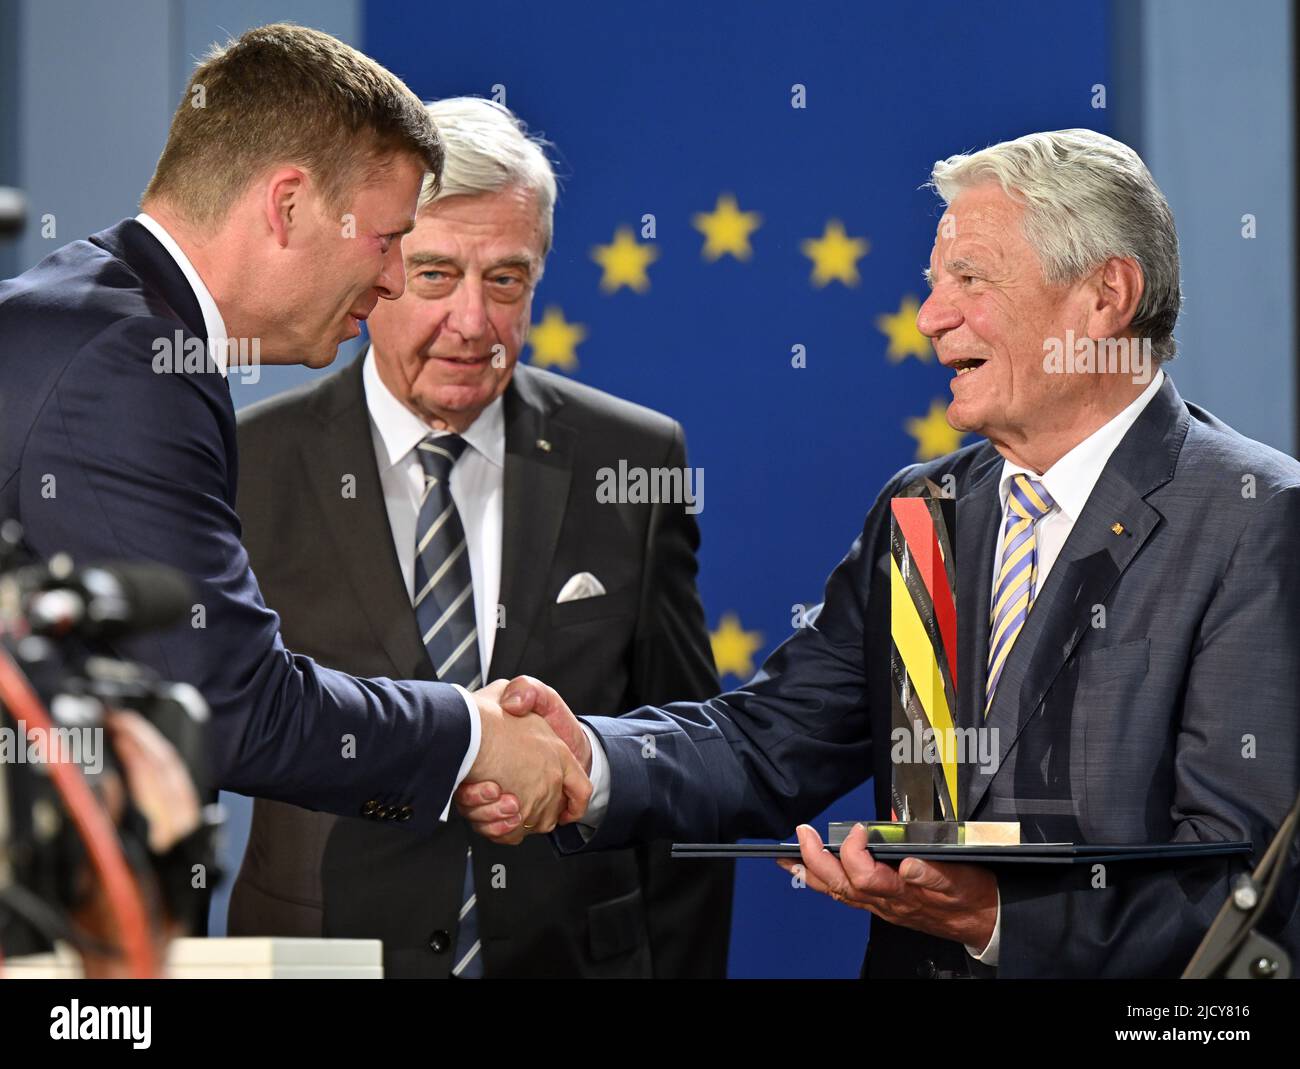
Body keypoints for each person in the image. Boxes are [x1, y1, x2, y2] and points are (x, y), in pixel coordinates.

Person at [459, 129, 1300, 978]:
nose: (933, 317)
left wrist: (994, 917)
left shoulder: (1255, 518)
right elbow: (771, 737)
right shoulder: (926, 509)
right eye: (935, 285)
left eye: (969, 279)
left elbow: (1247, 882)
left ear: (1105, 296)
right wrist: (587, 759)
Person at [0, 25, 588, 848]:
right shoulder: (131, 363)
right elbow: (231, 704)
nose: (389, 280)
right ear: (287, 204)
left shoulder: (92, 311)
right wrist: (475, 733)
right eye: (387, 241)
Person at [225, 98, 733, 978]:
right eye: (433, 274)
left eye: (505, 280)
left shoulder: (636, 457)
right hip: (318, 953)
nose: (472, 322)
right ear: (376, 269)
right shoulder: (247, 461)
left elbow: (681, 762)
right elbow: (180, 748)